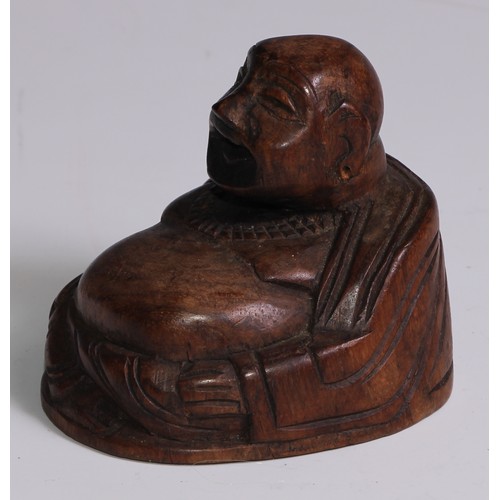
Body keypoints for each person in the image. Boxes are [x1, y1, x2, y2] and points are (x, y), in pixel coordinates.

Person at [42, 35, 452, 462]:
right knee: (85, 325)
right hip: (106, 339)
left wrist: (243, 386)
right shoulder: (241, 197)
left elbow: (363, 362)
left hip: (182, 383)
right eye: (241, 82)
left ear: (346, 144)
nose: (226, 109)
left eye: (275, 105)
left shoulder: (395, 220)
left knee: (162, 385)